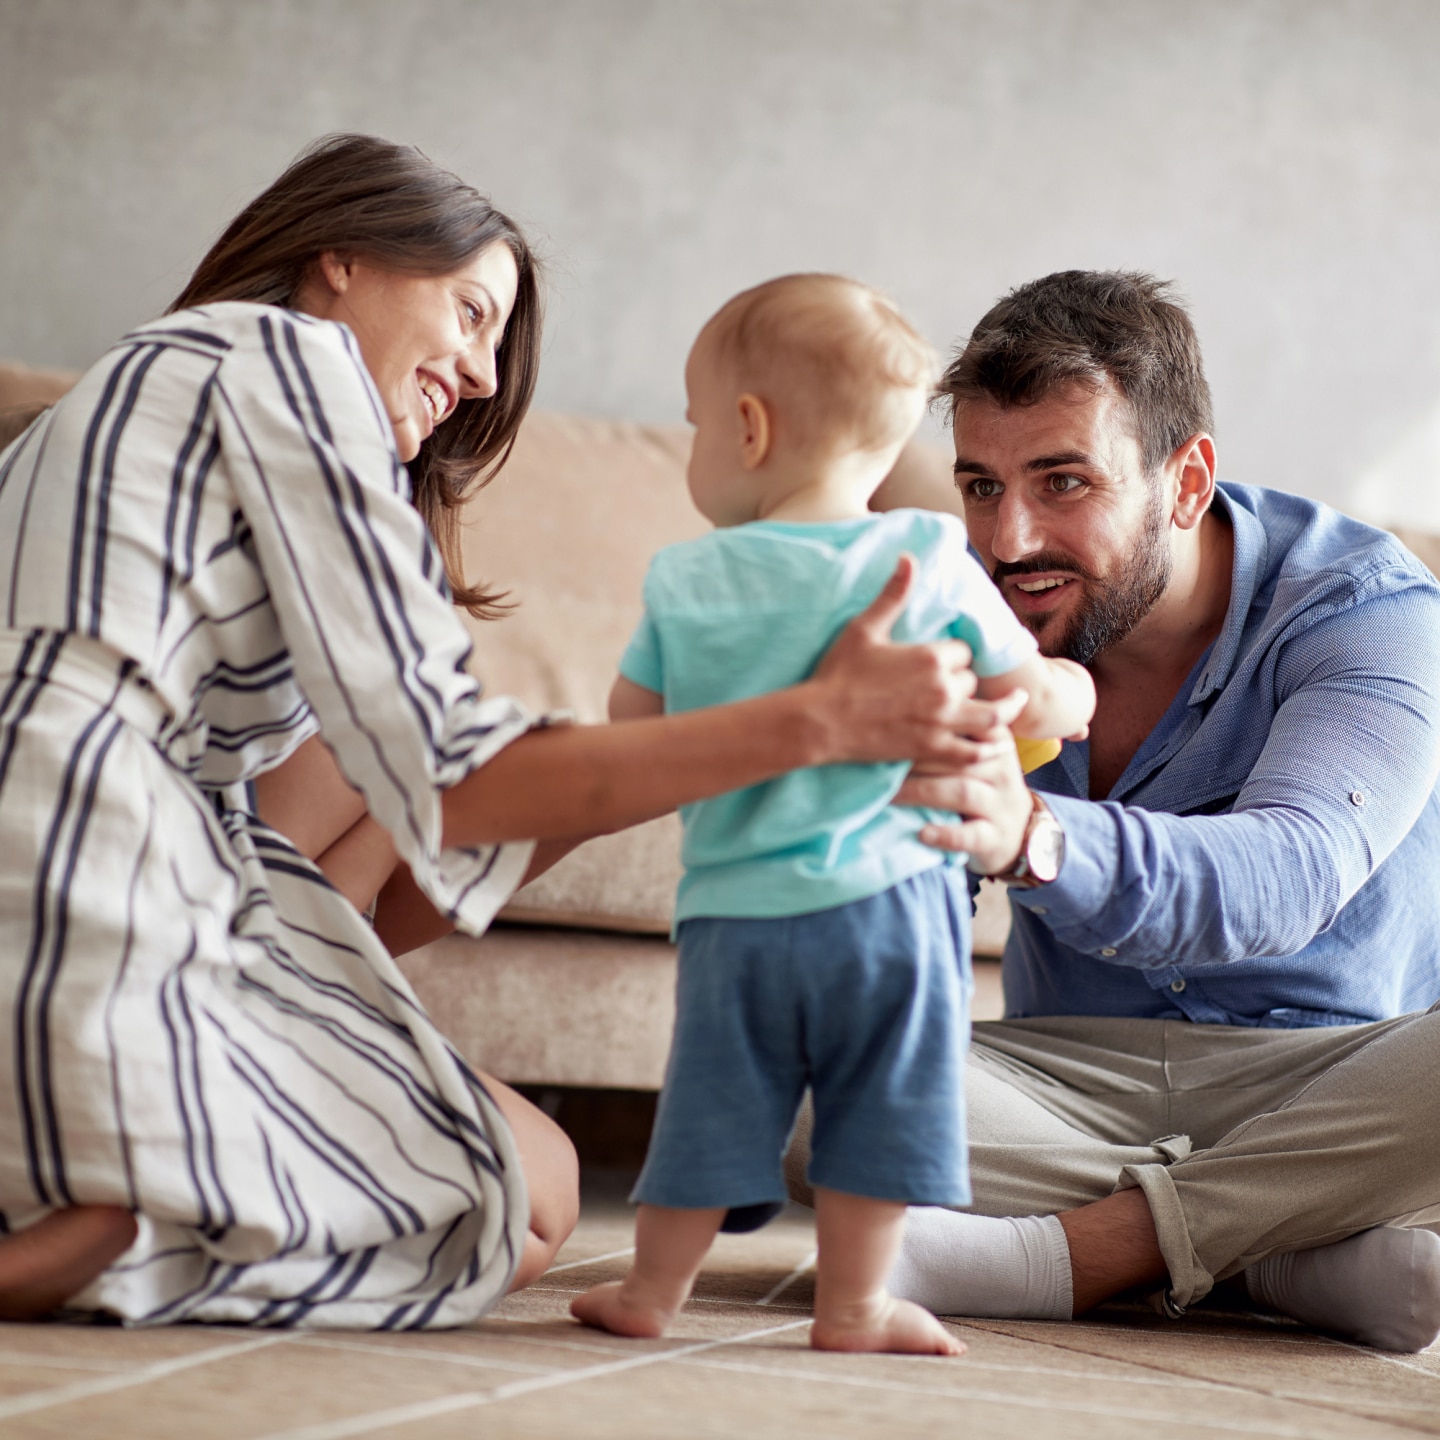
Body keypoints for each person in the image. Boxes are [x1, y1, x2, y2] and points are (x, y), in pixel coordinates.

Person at [0, 136, 996, 1327]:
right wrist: (809, 724)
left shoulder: (204, 479)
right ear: (341, 261)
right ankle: (127, 1214)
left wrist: (650, 768)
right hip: (65, 835)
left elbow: (346, 889)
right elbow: (451, 772)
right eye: (471, 313)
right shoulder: (275, 358)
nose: (478, 376)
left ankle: (138, 1203)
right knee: (488, 1215)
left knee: (534, 1203)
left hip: (172, 857)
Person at [803, 269, 1440, 1353]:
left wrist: (1035, 836)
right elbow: (897, 917)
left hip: (1328, 1072)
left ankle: (1076, 1257)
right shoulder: (958, 608)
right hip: (1067, 1076)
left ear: (1185, 481)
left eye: (1063, 482)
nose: (1008, 542)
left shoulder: (1367, 614)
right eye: (981, 487)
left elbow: (1291, 874)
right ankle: (1286, 1250)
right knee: (824, 1098)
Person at [571, 275, 1095, 1355]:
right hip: (890, 912)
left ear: (749, 429)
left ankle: (651, 1294)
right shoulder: (928, 556)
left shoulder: (688, 575)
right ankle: (852, 1308)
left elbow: (632, 726)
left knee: (713, 1099)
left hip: (735, 914)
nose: (694, 447)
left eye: (695, 424)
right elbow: (1028, 694)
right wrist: (1071, 697)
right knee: (879, 1104)